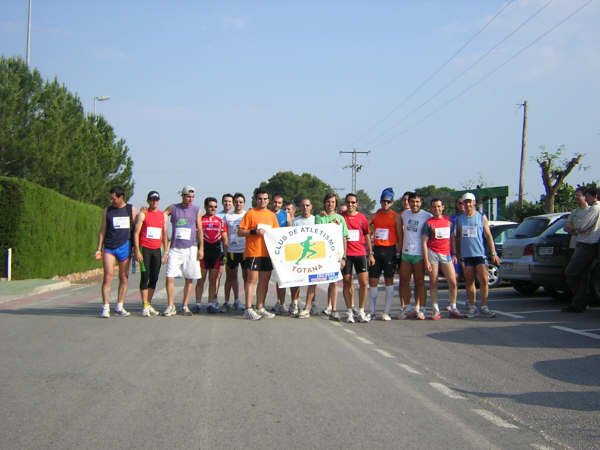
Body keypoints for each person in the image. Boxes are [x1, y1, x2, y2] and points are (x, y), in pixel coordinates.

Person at [453, 193, 500, 318]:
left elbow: (488, 236)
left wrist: (493, 252)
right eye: (465, 202)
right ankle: (472, 306)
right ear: (462, 204)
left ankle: (484, 306)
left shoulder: (481, 217)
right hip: (466, 256)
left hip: (480, 254)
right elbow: (457, 237)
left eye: (470, 202)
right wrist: (457, 253)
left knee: (484, 280)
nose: (468, 204)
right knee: (469, 281)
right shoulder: (459, 219)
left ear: (474, 203)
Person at [96, 186, 137, 318]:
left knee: (123, 277)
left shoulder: (131, 209)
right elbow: (102, 230)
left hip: (125, 246)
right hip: (109, 247)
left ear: (121, 197)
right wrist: (99, 249)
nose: (111, 201)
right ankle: (105, 307)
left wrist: (137, 248)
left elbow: (137, 229)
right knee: (108, 276)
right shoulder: (107, 210)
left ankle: (120, 305)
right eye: (110, 198)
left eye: (114, 199)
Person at [238, 189, 279, 320]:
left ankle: (260, 307)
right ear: (256, 200)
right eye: (260, 199)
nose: (262, 201)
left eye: (265, 199)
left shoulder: (271, 215)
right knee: (251, 281)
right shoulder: (250, 213)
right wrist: (255, 232)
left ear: (268, 200)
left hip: (267, 253)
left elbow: (277, 233)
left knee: (264, 282)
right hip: (253, 252)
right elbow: (240, 232)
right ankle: (248, 309)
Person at [162, 185, 204, 317]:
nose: (190, 199)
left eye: (192, 197)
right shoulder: (173, 208)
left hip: (191, 248)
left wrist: (201, 247)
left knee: (189, 278)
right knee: (169, 276)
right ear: (182, 196)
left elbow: (200, 229)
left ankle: (185, 305)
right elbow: (162, 215)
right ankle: (170, 305)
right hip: (175, 247)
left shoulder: (197, 210)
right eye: (188, 196)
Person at [421, 199, 463, 319]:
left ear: (443, 207)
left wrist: (454, 253)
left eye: (439, 206)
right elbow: (424, 242)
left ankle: (453, 307)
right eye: (434, 207)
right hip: (432, 253)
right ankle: (435, 309)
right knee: (433, 281)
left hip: (446, 254)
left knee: (453, 281)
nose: (436, 209)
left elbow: (452, 238)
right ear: (431, 209)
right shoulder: (428, 223)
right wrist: (426, 261)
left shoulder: (449, 222)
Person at [563, 186, 600, 312]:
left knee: (571, 272)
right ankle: (579, 302)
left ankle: (581, 300)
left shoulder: (595, 209)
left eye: (587, 196)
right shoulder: (577, 211)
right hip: (581, 244)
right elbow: (568, 226)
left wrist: (576, 228)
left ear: (594, 197)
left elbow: (583, 225)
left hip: (586, 245)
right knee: (582, 276)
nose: (587, 199)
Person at [397, 192, 432, 320]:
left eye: (417, 202)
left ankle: (421, 308)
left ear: (421, 203)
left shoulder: (427, 216)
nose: (414, 204)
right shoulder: (405, 214)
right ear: (408, 203)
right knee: (404, 281)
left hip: (419, 254)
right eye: (412, 202)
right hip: (406, 254)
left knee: (420, 282)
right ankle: (407, 307)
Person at [133, 190, 168, 317]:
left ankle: (148, 303)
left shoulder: (162, 216)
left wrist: (165, 252)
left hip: (157, 250)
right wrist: (137, 250)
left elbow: (164, 234)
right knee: (145, 276)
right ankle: (144, 305)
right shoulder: (143, 214)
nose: (154, 202)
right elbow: (136, 233)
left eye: (156, 200)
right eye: (152, 200)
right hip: (145, 249)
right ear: (148, 201)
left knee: (154, 277)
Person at [315, 193, 348, 321]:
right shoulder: (319, 217)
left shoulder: (341, 219)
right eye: (328, 201)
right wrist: (331, 223)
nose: (330, 204)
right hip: (323, 255)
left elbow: (344, 237)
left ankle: (333, 308)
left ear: (336, 204)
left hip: (336, 255)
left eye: (333, 202)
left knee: (334, 282)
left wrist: (343, 257)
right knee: (315, 281)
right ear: (324, 203)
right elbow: (320, 232)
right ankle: (309, 306)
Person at [341, 193, 373, 323]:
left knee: (364, 283)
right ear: (345, 203)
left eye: (353, 202)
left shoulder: (362, 218)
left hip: (360, 254)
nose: (350, 205)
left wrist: (371, 253)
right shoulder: (341, 218)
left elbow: (366, 236)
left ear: (357, 204)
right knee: (347, 282)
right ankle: (349, 311)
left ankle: (361, 310)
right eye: (348, 202)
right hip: (346, 255)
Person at [368, 188, 398, 321]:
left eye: (388, 201)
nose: (385, 204)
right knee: (373, 280)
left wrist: (399, 251)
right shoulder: (375, 215)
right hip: (377, 250)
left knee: (388, 280)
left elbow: (400, 235)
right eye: (383, 201)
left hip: (390, 251)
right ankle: (372, 311)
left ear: (392, 202)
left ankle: (387, 311)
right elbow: (363, 225)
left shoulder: (396, 216)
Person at [195, 197, 228, 313]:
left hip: (216, 252)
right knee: (201, 279)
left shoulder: (220, 221)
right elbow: (196, 237)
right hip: (203, 252)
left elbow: (225, 239)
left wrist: (225, 254)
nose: (213, 209)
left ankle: (210, 303)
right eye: (210, 206)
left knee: (213, 279)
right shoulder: (200, 220)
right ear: (205, 207)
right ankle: (198, 304)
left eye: (215, 207)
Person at [291, 198, 318, 318]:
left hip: (314, 257)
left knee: (312, 281)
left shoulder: (316, 220)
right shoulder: (295, 221)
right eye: (303, 205)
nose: (305, 207)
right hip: (298, 252)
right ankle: (295, 303)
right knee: (296, 280)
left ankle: (309, 306)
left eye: (307, 205)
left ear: (311, 207)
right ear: (300, 207)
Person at [222, 192, 247, 312]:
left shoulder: (247, 215)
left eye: (241, 202)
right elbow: (225, 235)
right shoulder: (228, 216)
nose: (238, 204)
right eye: (236, 202)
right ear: (234, 203)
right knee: (230, 277)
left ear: (244, 203)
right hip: (232, 251)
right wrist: (225, 252)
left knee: (247, 278)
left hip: (245, 251)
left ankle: (246, 303)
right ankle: (227, 302)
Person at [271, 194, 293, 314]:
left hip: (282, 251)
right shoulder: (268, 214)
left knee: (281, 278)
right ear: (271, 202)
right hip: (268, 250)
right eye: (275, 202)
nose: (276, 205)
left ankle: (282, 303)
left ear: (282, 204)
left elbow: (290, 231)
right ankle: (262, 304)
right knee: (265, 279)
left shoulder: (286, 215)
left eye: (279, 203)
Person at [564, 187, 589, 252]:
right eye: (575, 195)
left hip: (585, 246)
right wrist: (576, 230)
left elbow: (587, 228)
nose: (576, 197)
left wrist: (576, 230)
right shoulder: (574, 212)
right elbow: (566, 227)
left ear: (585, 197)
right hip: (573, 246)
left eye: (578, 195)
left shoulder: (591, 210)